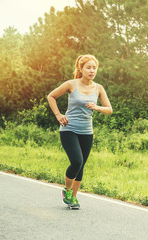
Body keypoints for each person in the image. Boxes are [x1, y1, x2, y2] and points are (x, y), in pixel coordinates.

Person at [47, 55, 112, 209]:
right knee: (76, 161)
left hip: (87, 131)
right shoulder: (71, 84)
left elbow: (109, 109)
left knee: (81, 166)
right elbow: (51, 96)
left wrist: (97, 107)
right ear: (81, 69)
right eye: (88, 67)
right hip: (69, 129)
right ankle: (67, 191)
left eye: (94, 68)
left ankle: (73, 198)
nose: (92, 71)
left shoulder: (98, 88)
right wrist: (58, 115)